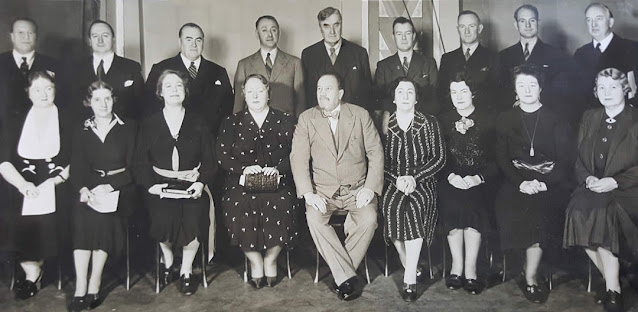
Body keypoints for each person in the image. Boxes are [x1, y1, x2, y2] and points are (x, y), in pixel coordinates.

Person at [290, 72, 383, 301]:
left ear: (340, 93)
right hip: (323, 192)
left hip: (357, 190)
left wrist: (369, 188)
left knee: (369, 218)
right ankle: (348, 277)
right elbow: (298, 158)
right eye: (319, 89)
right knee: (314, 219)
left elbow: (376, 152)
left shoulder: (360, 115)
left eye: (328, 89)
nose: (322, 94)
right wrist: (308, 193)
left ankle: (342, 275)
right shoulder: (306, 119)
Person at [494, 64, 572, 303]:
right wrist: (521, 183)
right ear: (515, 90)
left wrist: (544, 183)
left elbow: (565, 161)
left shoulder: (556, 119)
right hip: (515, 180)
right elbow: (502, 158)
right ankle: (519, 263)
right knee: (508, 206)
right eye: (521, 85)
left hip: (549, 183)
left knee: (539, 213)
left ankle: (531, 277)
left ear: (540, 88)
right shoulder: (506, 118)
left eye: (532, 85)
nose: (527, 90)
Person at [135, 69, 217, 296]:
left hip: (190, 184)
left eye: (178, 86)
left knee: (194, 213)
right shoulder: (149, 124)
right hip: (160, 185)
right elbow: (140, 162)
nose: (174, 90)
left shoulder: (199, 122)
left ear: (185, 91)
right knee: (162, 213)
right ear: (160, 92)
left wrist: (200, 183)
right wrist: (152, 185)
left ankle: (186, 270)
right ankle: (168, 259)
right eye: (168, 86)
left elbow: (210, 161)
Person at [564, 68, 638, 312]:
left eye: (614, 87)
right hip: (593, 186)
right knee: (577, 211)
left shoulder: (635, 119)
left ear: (625, 90)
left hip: (628, 189)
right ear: (596, 92)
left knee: (603, 214)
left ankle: (614, 290)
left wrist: (614, 182)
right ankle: (611, 281)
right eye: (602, 88)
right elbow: (579, 160)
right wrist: (588, 179)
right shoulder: (590, 117)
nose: (607, 93)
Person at [218, 74, 298, 288]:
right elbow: (222, 155)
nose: (255, 95)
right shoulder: (231, 122)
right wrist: (243, 168)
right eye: (250, 91)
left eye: (260, 90)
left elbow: (295, 153)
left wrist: (278, 169)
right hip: (241, 182)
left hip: (276, 180)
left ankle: (271, 259)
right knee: (238, 205)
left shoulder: (285, 120)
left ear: (268, 93)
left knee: (284, 204)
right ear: (243, 94)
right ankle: (255, 261)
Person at [0, 70, 71, 300]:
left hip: (59, 185)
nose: (43, 94)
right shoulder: (14, 120)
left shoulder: (68, 118)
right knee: (13, 216)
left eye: (48, 88)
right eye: (37, 89)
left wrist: (56, 180)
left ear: (55, 90)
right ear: (28, 93)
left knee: (51, 218)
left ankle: (39, 267)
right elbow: (3, 161)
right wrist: (22, 185)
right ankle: (32, 271)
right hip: (20, 186)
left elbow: (78, 159)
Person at [68, 81, 136, 311]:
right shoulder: (81, 130)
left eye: (107, 98)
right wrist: (83, 189)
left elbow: (134, 168)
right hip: (90, 186)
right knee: (82, 214)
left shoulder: (128, 127)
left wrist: (111, 186)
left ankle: (94, 281)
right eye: (97, 99)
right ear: (89, 102)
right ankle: (80, 285)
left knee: (104, 217)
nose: (103, 104)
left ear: (114, 100)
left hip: (121, 188)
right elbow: (77, 167)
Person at [381, 77, 445, 301]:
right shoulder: (385, 123)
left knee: (416, 208)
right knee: (391, 208)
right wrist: (397, 179)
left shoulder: (430, 123)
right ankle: (408, 261)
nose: (405, 96)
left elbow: (439, 158)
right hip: (393, 180)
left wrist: (415, 177)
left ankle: (409, 278)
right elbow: (378, 161)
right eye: (401, 91)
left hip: (423, 181)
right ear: (394, 97)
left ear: (417, 98)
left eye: (410, 92)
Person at [438, 72, 497, 295]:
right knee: (452, 202)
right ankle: (457, 266)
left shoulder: (489, 118)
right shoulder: (443, 120)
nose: (459, 96)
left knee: (473, 203)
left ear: (472, 92)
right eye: (454, 92)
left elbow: (496, 160)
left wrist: (477, 178)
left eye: (463, 91)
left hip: (480, 180)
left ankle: (471, 269)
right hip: (451, 178)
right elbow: (439, 156)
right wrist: (451, 176)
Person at [145, 22, 233, 137]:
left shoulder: (218, 71)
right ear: (180, 42)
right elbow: (149, 105)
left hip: (210, 138)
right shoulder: (161, 68)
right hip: (172, 137)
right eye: (188, 39)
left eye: (198, 40)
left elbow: (228, 107)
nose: (194, 45)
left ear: (203, 43)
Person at [497, 5, 577, 124]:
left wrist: (534, 101)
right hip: (514, 120)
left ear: (538, 23)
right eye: (522, 21)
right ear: (516, 25)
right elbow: (500, 90)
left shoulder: (556, 55)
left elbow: (561, 91)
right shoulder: (503, 56)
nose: (528, 25)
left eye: (532, 20)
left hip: (545, 119)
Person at [64, 20, 144, 121]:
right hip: (85, 132)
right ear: (89, 41)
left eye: (105, 35)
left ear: (113, 39)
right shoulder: (76, 69)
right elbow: (71, 106)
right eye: (95, 36)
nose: (100, 40)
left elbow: (142, 105)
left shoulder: (131, 67)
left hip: (123, 132)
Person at [233, 16, 305, 118]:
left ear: (278, 33)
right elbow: (238, 104)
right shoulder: (244, 65)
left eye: (273, 30)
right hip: (253, 125)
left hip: (286, 125)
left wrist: (299, 127)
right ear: (257, 34)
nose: (270, 34)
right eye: (264, 30)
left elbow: (301, 102)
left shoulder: (295, 63)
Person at [301, 7, 372, 110]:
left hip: (352, 119)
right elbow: (306, 95)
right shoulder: (308, 55)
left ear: (341, 25)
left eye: (336, 25)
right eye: (326, 26)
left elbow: (368, 95)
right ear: (320, 28)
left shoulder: (359, 53)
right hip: (320, 119)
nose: (332, 31)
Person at [573, 3, 638, 109]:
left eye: (599, 18)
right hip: (591, 119)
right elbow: (576, 93)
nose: (594, 24)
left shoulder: (632, 49)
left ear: (611, 22)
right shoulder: (580, 54)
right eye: (589, 20)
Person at [374, 17, 439, 116]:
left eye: (407, 33)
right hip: (393, 121)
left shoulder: (428, 63)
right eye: (399, 34)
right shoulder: (383, 66)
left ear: (413, 36)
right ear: (393, 37)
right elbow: (379, 100)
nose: (403, 38)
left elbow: (435, 97)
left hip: (423, 120)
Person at [438, 11, 499, 113]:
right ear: (458, 29)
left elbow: (498, 94)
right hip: (453, 118)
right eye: (462, 26)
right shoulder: (447, 58)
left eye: (471, 26)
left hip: (484, 118)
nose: (467, 31)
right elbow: (441, 93)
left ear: (479, 29)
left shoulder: (493, 57)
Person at [0, 18, 58, 120]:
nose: (26, 37)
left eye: (30, 33)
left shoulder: (53, 65)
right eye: (20, 33)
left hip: (40, 126)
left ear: (36, 36)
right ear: (12, 36)